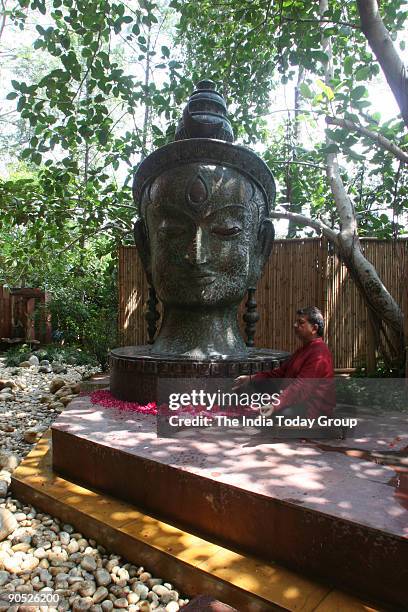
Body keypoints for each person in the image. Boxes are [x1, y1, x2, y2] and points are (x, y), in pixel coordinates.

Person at [233, 307, 335, 419]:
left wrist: (275, 405)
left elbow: (301, 387)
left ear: (314, 329)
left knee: (280, 414)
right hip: (296, 400)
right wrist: (251, 378)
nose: (295, 325)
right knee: (258, 382)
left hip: (312, 409)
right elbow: (280, 373)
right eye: (296, 322)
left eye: (301, 322)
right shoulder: (303, 350)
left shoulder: (319, 353)